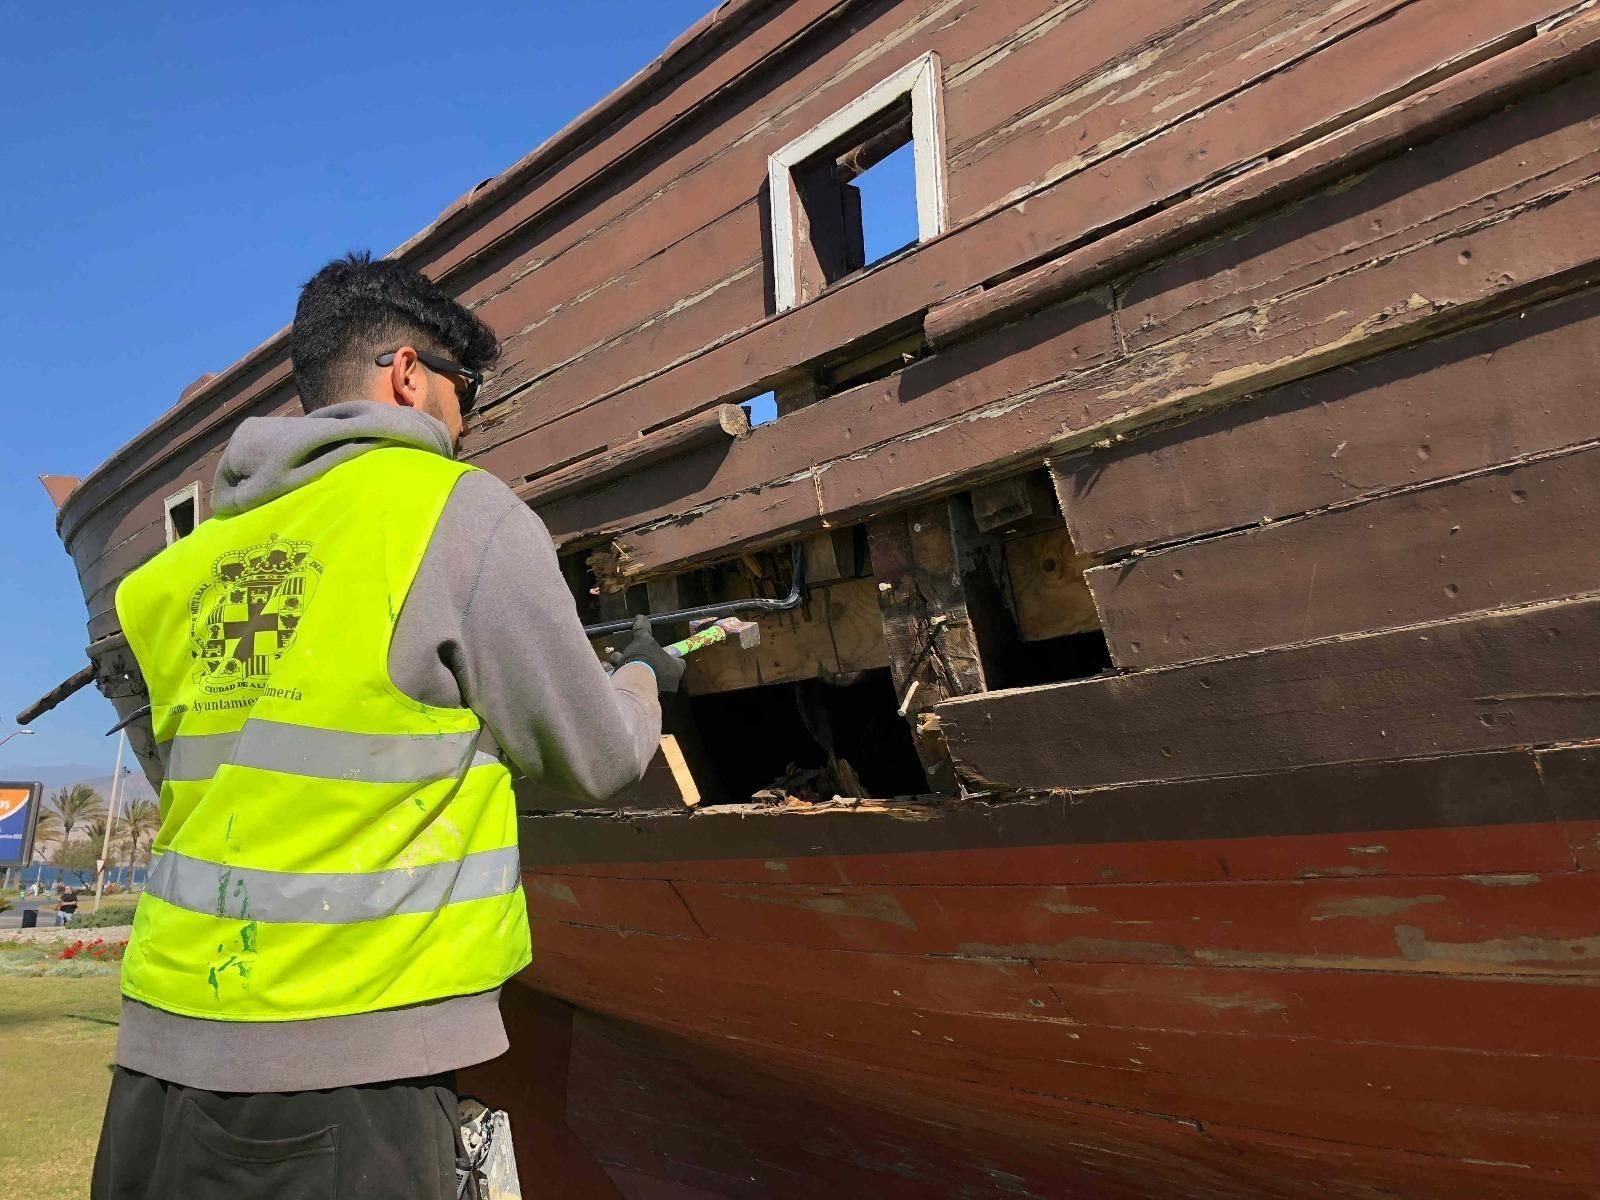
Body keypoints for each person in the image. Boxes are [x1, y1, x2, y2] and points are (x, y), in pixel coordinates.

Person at [92, 252, 683, 1199]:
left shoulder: (175, 578)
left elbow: (198, 778)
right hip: (343, 1076)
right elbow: (601, 755)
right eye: (467, 390)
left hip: (155, 1068)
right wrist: (646, 677)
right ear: (408, 374)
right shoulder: (453, 514)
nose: (469, 422)